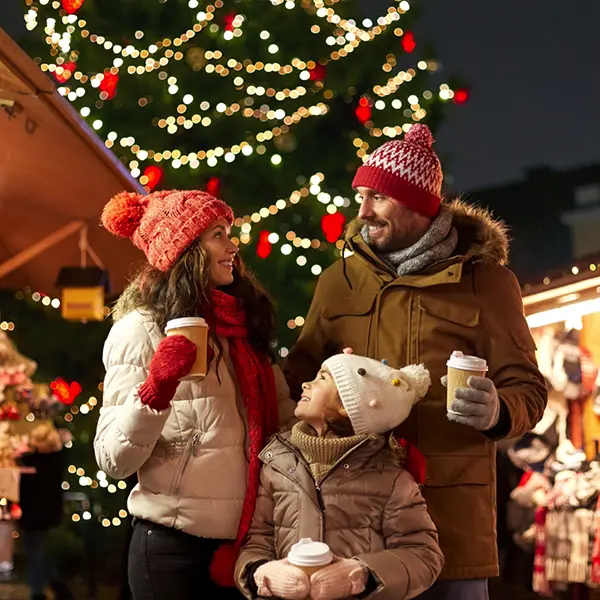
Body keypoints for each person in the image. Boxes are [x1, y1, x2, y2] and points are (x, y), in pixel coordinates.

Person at [284, 124, 547, 599]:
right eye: (360, 196)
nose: (362, 212)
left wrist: (498, 411)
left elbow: (527, 387)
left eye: (377, 199)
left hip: (449, 519)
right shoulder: (337, 280)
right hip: (356, 525)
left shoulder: (486, 283)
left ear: (418, 205)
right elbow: (297, 379)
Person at [95, 189, 295, 600]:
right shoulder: (140, 330)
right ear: (185, 250)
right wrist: (156, 390)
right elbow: (113, 459)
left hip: (248, 548)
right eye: (218, 234)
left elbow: (286, 424)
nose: (232, 245)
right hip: (172, 548)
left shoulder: (244, 326)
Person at [235, 351, 443, 600]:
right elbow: (259, 538)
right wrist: (261, 573)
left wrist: (363, 575)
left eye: (322, 378)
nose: (305, 384)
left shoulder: (389, 478)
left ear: (347, 405)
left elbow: (422, 553)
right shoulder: (277, 462)